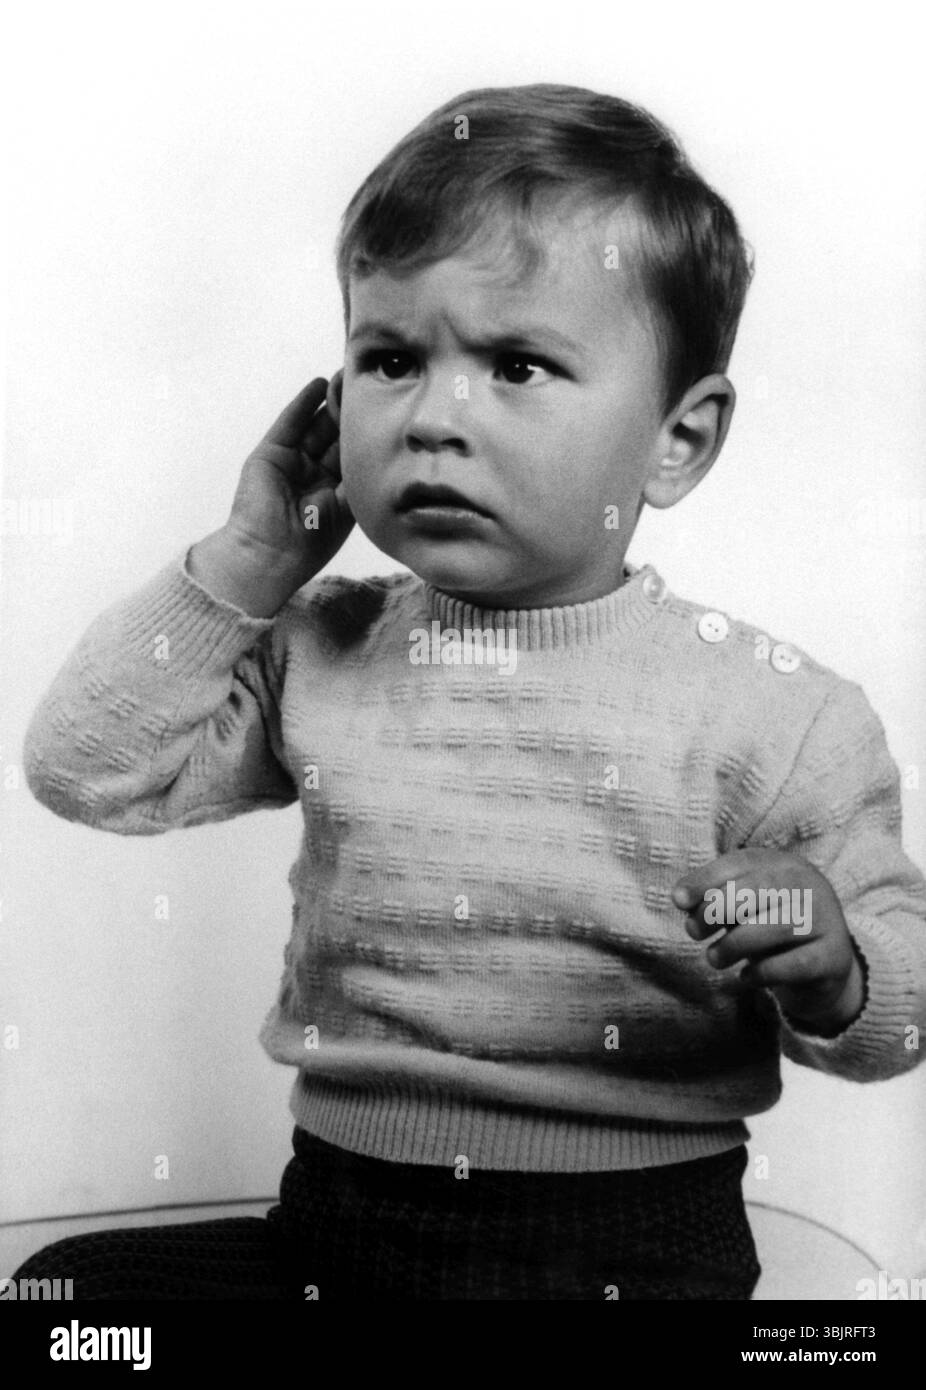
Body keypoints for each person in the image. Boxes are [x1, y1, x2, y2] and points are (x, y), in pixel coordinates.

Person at [14, 84, 926, 1300]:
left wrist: (833, 962)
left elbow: (900, 1017)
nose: (436, 416)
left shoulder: (773, 712)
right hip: (337, 1221)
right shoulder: (323, 647)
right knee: (66, 1305)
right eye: (391, 358)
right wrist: (248, 560)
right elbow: (87, 770)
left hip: (629, 1247)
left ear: (676, 441)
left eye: (516, 365)